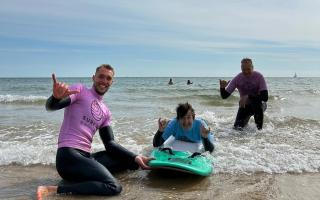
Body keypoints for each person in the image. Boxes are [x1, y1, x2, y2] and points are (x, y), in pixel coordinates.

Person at [37, 64, 153, 199]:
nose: (104, 81)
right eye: (101, 77)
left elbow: (110, 143)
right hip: (68, 157)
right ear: (93, 78)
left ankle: (90, 180)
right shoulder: (80, 91)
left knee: (131, 162)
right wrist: (55, 98)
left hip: (85, 157)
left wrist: (136, 157)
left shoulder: (106, 112)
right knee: (114, 187)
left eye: (108, 78)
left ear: (112, 82)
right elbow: (51, 107)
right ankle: (53, 190)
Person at [219, 58, 268, 130]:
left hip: (259, 105)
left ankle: (259, 132)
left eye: (248, 69)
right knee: (237, 129)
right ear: (241, 68)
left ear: (252, 67)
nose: (246, 71)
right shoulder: (237, 78)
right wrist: (222, 88)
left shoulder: (259, 77)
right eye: (243, 69)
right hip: (245, 106)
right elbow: (224, 96)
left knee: (256, 104)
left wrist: (248, 97)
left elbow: (265, 97)